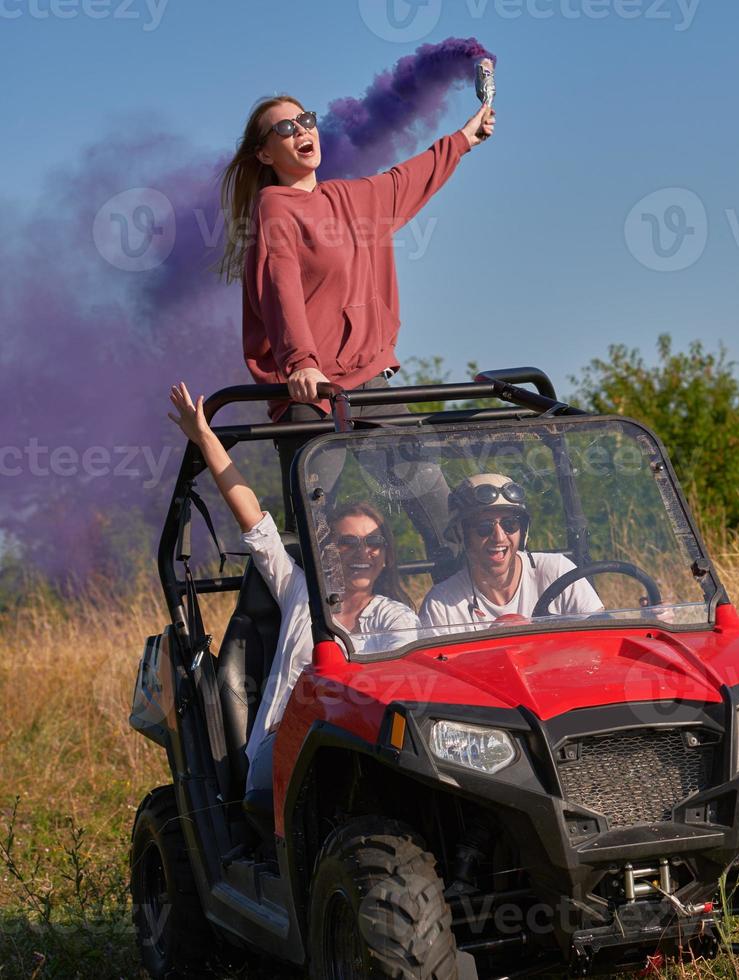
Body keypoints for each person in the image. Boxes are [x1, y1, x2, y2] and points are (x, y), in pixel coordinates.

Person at [214, 91, 495, 541]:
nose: (301, 130)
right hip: (312, 392)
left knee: (441, 511)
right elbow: (280, 288)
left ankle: (463, 608)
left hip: (370, 380)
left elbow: (406, 179)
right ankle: (267, 613)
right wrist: (300, 361)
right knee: (311, 530)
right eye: (285, 127)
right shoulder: (275, 208)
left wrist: (465, 138)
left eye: (305, 119)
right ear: (265, 152)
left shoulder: (351, 198)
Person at [167, 381, 417, 802]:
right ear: (325, 552)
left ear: (385, 556)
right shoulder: (299, 590)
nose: (361, 552)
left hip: (361, 749)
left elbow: (401, 694)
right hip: (282, 746)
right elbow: (252, 518)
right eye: (347, 542)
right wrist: (206, 437)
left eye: (372, 543)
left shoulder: (397, 619)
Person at [419, 474, 604, 636]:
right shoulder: (441, 605)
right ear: (461, 534)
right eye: (484, 527)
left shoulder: (559, 573)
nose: (499, 537)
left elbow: (602, 638)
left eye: (510, 524)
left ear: (523, 531)